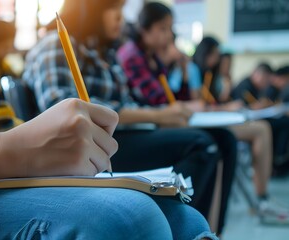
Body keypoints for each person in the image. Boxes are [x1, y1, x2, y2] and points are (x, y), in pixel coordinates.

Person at [0, 0, 216, 239]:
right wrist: (11, 150)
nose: (120, 19)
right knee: (131, 220)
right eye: (114, 9)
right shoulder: (55, 49)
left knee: (185, 220)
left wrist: (20, 139)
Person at [23, 0, 225, 237]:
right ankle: (176, 226)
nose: (121, 18)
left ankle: (202, 229)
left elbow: (128, 101)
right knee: (201, 144)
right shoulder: (56, 44)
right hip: (95, 147)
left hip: (120, 135)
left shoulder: (106, 51)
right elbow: (62, 107)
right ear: (91, 11)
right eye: (114, 10)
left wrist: (159, 116)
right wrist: (156, 114)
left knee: (222, 138)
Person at [116, 2, 238, 234]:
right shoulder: (131, 54)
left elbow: (173, 100)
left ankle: (213, 229)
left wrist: (180, 70)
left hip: (154, 121)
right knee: (204, 145)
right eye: (163, 29)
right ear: (145, 29)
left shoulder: (151, 57)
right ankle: (186, 229)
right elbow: (156, 100)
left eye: (170, 29)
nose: (168, 36)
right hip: (140, 127)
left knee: (225, 139)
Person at [193, 37, 289, 223]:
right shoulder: (196, 71)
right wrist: (225, 106)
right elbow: (199, 105)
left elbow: (213, 102)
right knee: (254, 131)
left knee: (261, 128)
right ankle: (261, 198)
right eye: (219, 58)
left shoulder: (214, 77)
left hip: (215, 119)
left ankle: (262, 197)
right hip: (205, 122)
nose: (223, 63)